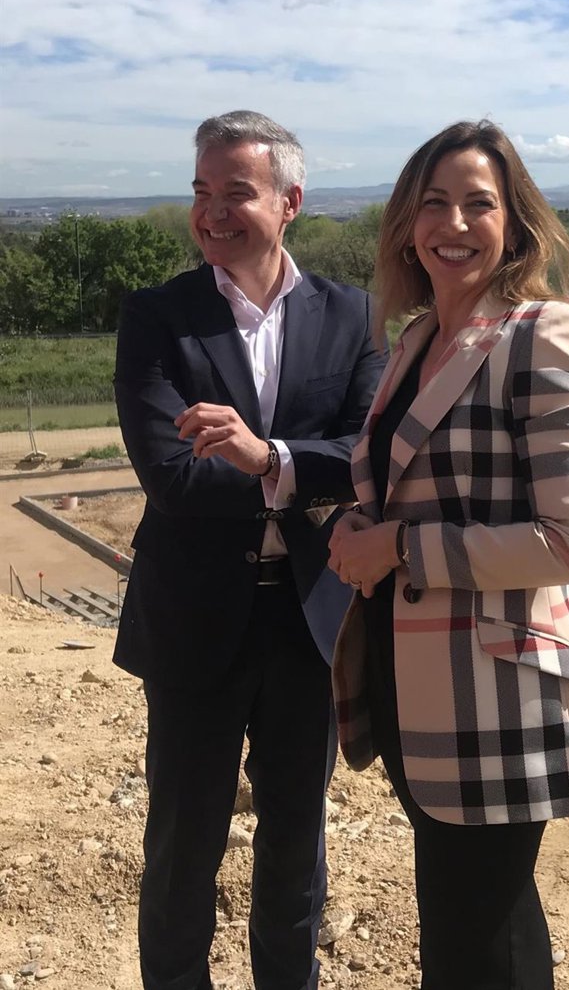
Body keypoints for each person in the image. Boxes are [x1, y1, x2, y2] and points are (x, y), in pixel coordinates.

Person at [327, 120, 569, 989]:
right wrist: (356, 525)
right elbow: (408, 486)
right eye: (433, 203)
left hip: (495, 692)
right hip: (408, 681)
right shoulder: (415, 339)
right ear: (407, 224)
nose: (453, 223)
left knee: (483, 939)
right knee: (466, 927)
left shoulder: (543, 333)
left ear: (514, 223)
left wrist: (399, 548)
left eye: (478, 203)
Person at [113, 110, 388, 990]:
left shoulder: (353, 315)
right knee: (183, 849)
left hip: (309, 619)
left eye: (236, 191)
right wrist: (308, 473)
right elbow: (172, 477)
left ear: (290, 202)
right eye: (202, 191)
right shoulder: (159, 317)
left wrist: (266, 457)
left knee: (297, 849)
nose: (211, 212)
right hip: (192, 619)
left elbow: (369, 459)